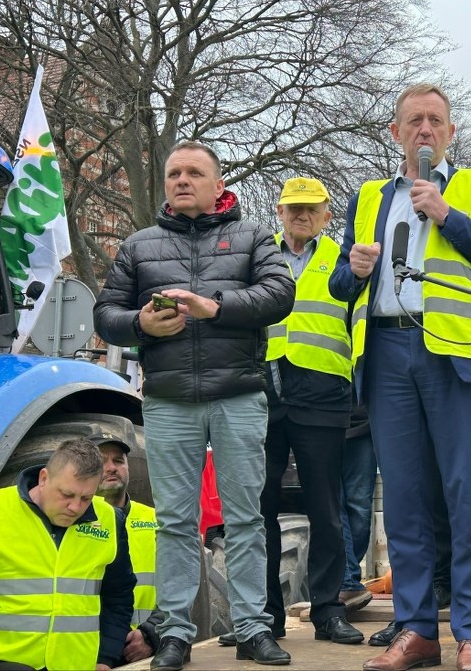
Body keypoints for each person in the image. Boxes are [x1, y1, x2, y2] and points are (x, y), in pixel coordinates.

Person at [329, 83, 471, 671]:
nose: (425, 131)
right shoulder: (367, 198)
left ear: (451, 133)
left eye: (436, 121)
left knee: (469, 501)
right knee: (405, 500)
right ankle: (414, 630)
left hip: (456, 358)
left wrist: (446, 215)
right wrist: (354, 269)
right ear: (395, 133)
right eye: (414, 122)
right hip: (387, 355)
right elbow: (339, 287)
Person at [94, 141, 296, 670]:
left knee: (246, 517)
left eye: (194, 173)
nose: (182, 180)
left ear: (217, 183)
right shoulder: (139, 246)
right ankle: (176, 633)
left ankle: (253, 627)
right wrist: (140, 323)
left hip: (238, 396)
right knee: (175, 521)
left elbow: (280, 294)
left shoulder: (253, 237)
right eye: (174, 173)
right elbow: (105, 314)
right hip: (168, 399)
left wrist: (216, 306)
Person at [260, 176, 363, 645]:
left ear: (326, 216)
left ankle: (327, 609)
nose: (302, 216)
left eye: (311, 210)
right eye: (293, 209)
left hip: (322, 391)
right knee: (259, 508)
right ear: (280, 212)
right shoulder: (258, 255)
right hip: (263, 390)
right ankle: (265, 616)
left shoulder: (342, 259)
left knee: (326, 507)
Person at [0, 438, 135, 671]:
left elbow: (118, 596)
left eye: (86, 498)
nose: (75, 507)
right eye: (67, 494)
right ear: (44, 478)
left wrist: (106, 657)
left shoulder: (109, 521)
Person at [93, 432, 164, 664]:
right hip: (93, 652)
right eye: (102, 461)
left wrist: (151, 634)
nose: (111, 467)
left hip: (147, 650)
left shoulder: (157, 520)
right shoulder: (71, 521)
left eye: (118, 460)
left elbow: (181, 586)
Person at [339, 399, 377, 611]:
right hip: (321, 421)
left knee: (359, 508)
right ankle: (347, 579)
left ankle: (348, 575)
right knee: (334, 507)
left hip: (363, 423)